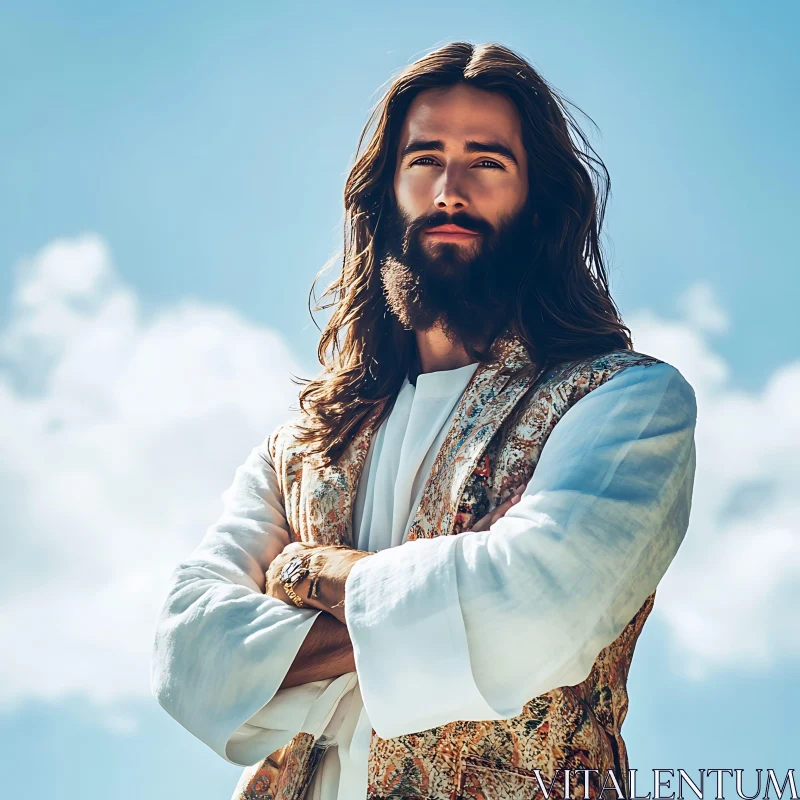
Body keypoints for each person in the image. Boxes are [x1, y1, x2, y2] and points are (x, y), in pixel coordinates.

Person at [150, 41, 697, 800]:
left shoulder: (624, 405)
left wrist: (320, 573)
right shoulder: (303, 448)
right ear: (387, 196)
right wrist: (443, 613)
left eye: (487, 162)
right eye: (424, 159)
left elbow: (536, 607)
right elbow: (187, 649)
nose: (449, 189)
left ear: (539, 204)